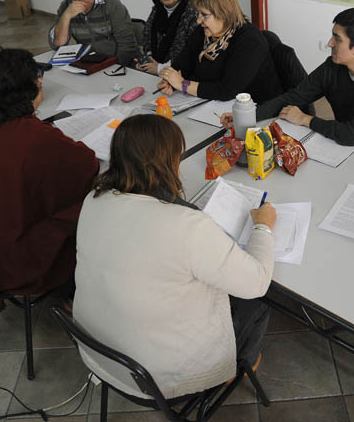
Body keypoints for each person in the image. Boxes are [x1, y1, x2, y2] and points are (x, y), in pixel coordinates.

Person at [74, 114, 276, 399]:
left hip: (101, 353)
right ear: (167, 162)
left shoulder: (94, 198)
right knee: (257, 306)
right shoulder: (184, 224)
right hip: (160, 377)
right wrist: (264, 226)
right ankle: (233, 372)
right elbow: (257, 282)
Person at [0, 48, 99, 312]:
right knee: (97, 210)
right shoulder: (36, 138)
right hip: (19, 263)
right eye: (38, 82)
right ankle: (74, 294)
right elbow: (87, 164)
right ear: (27, 89)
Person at [221, 7, 354, 146]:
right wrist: (247, 117)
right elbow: (294, 96)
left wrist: (305, 119)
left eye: (337, 38)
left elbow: (352, 134)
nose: (329, 43)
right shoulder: (334, 66)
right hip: (343, 148)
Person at [157, 0, 284, 104]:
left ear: (223, 14)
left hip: (254, 111)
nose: (198, 21)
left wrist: (182, 85)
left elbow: (227, 90)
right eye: (199, 14)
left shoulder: (250, 40)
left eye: (205, 15)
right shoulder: (203, 32)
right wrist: (170, 81)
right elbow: (181, 65)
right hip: (210, 104)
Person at [48, 0, 137, 66]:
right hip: (90, 61)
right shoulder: (66, 7)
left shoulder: (110, 3)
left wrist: (113, 68)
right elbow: (57, 44)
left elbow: (127, 45)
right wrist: (66, 16)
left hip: (115, 63)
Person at [135, 0, 198, 75]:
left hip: (183, 76)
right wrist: (147, 62)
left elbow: (193, 56)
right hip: (156, 75)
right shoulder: (157, 10)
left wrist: (160, 68)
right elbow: (146, 41)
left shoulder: (195, 10)